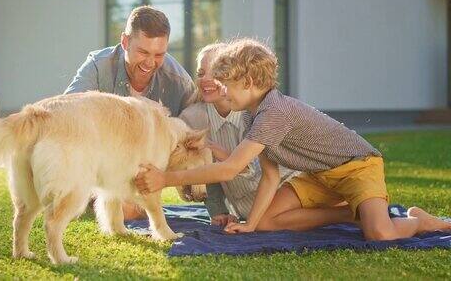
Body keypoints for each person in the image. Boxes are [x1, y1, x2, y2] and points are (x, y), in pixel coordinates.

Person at [134, 38, 451, 240]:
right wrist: (251, 224)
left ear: (250, 81)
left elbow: (230, 168)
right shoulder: (251, 113)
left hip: (358, 168)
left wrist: (166, 178)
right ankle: (349, 212)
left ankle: (418, 220)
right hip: (317, 177)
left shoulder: (274, 112)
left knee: (380, 234)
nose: (223, 91)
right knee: (269, 222)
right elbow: (270, 175)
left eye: (227, 84)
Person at [179, 42, 297, 226]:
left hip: (284, 189)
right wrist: (217, 210)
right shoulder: (192, 117)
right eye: (201, 73)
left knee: (266, 224)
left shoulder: (254, 113)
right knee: (262, 224)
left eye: (215, 73)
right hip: (245, 208)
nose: (206, 79)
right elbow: (204, 169)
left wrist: (211, 147)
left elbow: (251, 169)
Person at [65, 5, 196, 117]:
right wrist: (135, 107)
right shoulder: (98, 67)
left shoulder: (180, 82)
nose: (150, 63)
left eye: (159, 54)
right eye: (143, 52)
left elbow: (198, 132)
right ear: (125, 42)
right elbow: (67, 111)